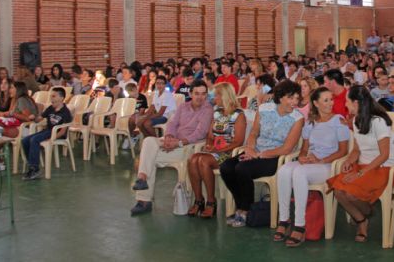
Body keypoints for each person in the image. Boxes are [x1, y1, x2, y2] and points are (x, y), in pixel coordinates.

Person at [220, 80, 304, 228]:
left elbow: (287, 148)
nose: (294, 102)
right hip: (256, 152)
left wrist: (259, 155)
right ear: (281, 97)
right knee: (226, 167)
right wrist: (251, 149)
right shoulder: (264, 109)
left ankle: (245, 211)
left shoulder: (297, 118)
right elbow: (253, 133)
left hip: (276, 158)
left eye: (297, 98)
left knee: (242, 168)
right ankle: (242, 206)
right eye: (291, 98)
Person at [275, 87, 349, 246]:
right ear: (315, 103)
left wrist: (322, 160)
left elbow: (343, 151)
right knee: (283, 171)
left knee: (299, 174)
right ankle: (284, 219)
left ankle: (300, 225)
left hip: (328, 165)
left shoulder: (339, 120)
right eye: (326, 100)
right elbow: (305, 148)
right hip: (312, 163)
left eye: (331, 99)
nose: (331, 103)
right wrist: (303, 157)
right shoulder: (310, 122)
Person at [130, 80, 213, 216]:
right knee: (149, 141)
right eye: (197, 93)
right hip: (174, 141)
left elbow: (200, 133)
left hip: (188, 147)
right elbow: (172, 123)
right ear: (190, 94)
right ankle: (142, 178)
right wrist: (168, 136)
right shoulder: (183, 107)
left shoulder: (208, 109)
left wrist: (178, 143)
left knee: (147, 157)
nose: (200, 97)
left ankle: (143, 200)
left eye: (203, 94)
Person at [327, 85, 393, 243]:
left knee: (350, 193)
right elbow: (357, 149)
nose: (346, 105)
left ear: (356, 103)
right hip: (363, 166)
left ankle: (368, 212)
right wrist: (349, 161)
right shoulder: (356, 120)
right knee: (338, 191)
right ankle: (362, 220)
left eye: (347, 102)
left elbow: (384, 155)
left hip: (380, 168)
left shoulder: (379, 121)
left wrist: (360, 173)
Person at [187, 83, 246, 218]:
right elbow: (210, 135)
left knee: (202, 161)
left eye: (217, 95)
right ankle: (198, 199)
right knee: (192, 159)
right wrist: (209, 144)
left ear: (225, 96)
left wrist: (220, 149)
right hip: (215, 150)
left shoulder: (238, 115)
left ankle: (211, 201)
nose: (214, 97)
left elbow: (238, 141)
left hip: (229, 152)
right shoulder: (217, 112)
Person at [21, 87, 73, 180]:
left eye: (53, 96)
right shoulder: (50, 108)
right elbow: (39, 119)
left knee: (34, 140)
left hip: (56, 134)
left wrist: (51, 139)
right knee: (25, 140)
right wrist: (33, 117)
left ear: (61, 98)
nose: (51, 99)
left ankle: (35, 169)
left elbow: (62, 131)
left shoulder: (66, 113)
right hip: (48, 131)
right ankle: (32, 165)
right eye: (50, 96)